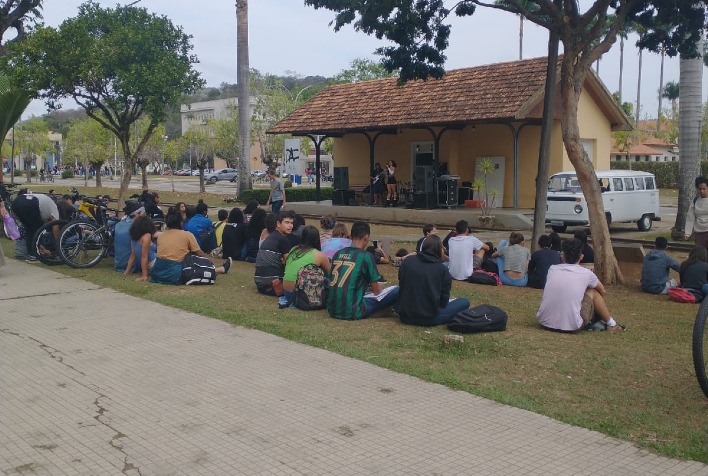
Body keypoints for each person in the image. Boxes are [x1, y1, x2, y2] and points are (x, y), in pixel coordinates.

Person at [537, 238, 624, 332]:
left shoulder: (552, 269)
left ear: (563, 256)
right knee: (593, 291)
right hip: (571, 326)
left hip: (544, 322)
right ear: (581, 257)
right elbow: (602, 290)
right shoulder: (586, 273)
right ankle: (611, 323)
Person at [327, 221, 400, 320]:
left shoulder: (338, 254)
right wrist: (380, 286)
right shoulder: (365, 256)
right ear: (366, 238)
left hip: (332, 309)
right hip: (353, 311)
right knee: (397, 290)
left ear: (350, 236)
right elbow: (376, 291)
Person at [395, 234, 470, 326]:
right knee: (464, 302)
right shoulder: (442, 270)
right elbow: (443, 302)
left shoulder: (408, 262)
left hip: (404, 316)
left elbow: (401, 282)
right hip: (428, 317)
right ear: (439, 250)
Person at [151, 211, 231, 285]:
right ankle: (219, 269)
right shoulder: (187, 235)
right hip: (174, 275)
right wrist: (209, 263)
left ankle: (220, 269)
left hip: (157, 273)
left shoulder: (161, 236)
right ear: (181, 222)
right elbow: (199, 253)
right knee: (194, 263)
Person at [282, 225, 331, 308]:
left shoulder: (293, 249)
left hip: (287, 293)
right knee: (328, 280)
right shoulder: (319, 255)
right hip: (303, 295)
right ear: (317, 239)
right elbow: (331, 273)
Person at [11, 189, 60, 261]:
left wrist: (41, 246)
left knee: (29, 230)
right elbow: (55, 228)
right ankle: (35, 254)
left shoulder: (45, 209)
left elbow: (43, 225)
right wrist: (58, 244)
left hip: (16, 202)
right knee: (36, 230)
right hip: (30, 204)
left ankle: (31, 254)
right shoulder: (55, 209)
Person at [254, 210, 295, 296]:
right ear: (278, 224)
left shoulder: (272, 236)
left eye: (291, 223)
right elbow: (291, 264)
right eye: (287, 222)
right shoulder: (283, 239)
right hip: (272, 284)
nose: (290, 225)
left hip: (259, 282)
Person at [124, 215, 158, 282]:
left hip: (147, 266)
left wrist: (127, 271)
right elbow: (144, 256)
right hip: (154, 263)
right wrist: (144, 275)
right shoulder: (147, 236)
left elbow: (132, 255)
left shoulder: (133, 237)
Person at [114, 203, 145, 272]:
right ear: (137, 214)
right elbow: (133, 250)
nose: (144, 215)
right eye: (143, 213)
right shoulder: (136, 227)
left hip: (118, 264)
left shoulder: (118, 224)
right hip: (132, 266)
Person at [685, 177, 708, 249]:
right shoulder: (695, 201)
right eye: (700, 189)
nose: (702, 191)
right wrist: (687, 233)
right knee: (700, 254)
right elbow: (690, 218)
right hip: (699, 233)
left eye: (704, 189)